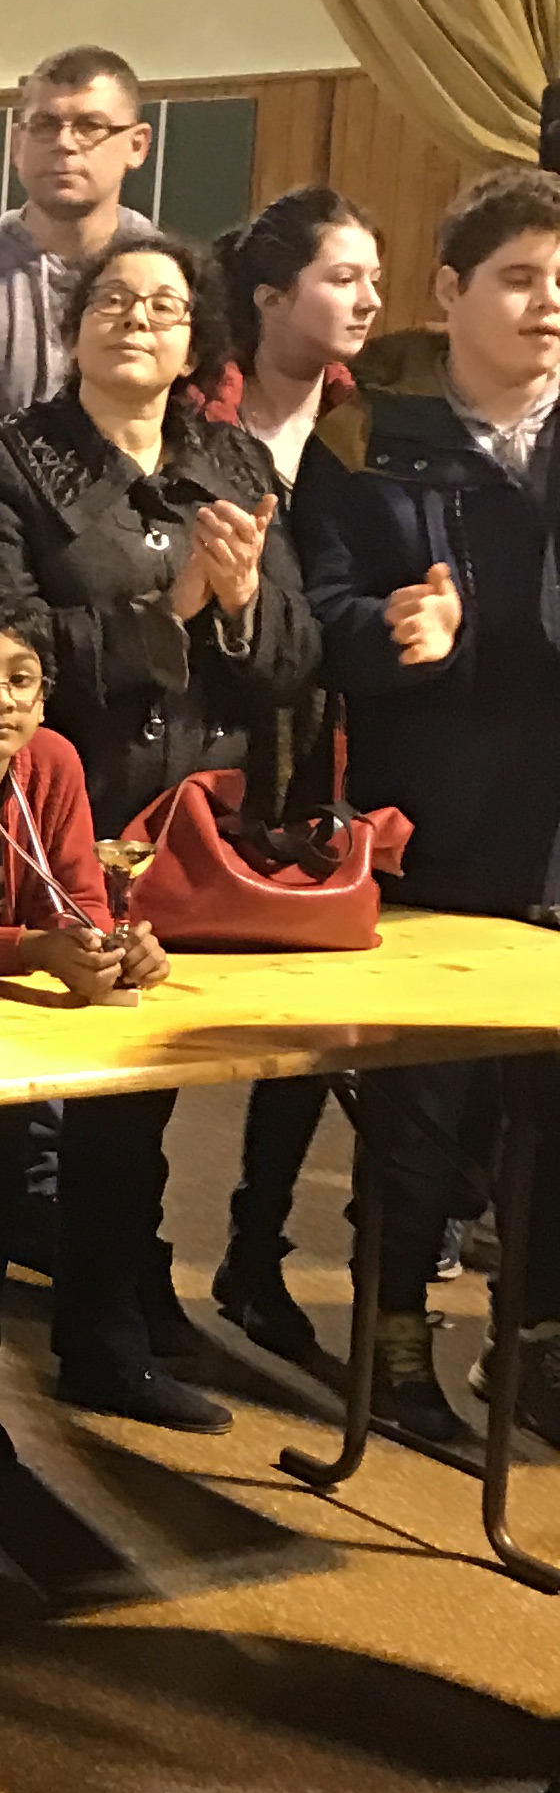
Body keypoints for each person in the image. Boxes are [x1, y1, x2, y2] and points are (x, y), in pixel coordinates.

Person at [0, 231, 320, 1425]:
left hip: (188, 838)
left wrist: (241, 605)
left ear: (198, 339)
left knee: (131, 1110)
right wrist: (171, 610)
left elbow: (295, 656)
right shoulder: (7, 463)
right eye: (112, 300)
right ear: (74, 325)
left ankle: (108, 1340)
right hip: (43, 821)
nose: (137, 318)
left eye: (164, 305)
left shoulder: (237, 462)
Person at [296, 166, 560, 1453]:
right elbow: (322, 621)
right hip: (438, 825)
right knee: (423, 1113)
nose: (549, 304)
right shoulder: (369, 447)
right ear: (449, 292)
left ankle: (538, 1345)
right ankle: (392, 1339)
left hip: (556, 832)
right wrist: (406, 633)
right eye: (520, 279)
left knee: (551, 1118)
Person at [0, 584, 170, 1468]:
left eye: (21, 679)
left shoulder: (50, 763)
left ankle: (93, 1351)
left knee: (114, 1117)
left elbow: (77, 897)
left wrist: (110, 947)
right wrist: (32, 949)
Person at [200, 189, 384, 1367]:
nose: (368, 299)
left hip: (335, 747)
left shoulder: (369, 430)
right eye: (342, 277)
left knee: (313, 1020)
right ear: (272, 296)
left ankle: (255, 1251)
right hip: (212, 741)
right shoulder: (197, 416)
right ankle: (117, 1276)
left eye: (373, 278)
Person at [0, 44, 160, 440]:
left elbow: (184, 448)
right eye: (45, 124)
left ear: (136, 145)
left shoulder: (175, 287)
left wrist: (4, 438)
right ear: (18, 145)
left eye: (90, 126)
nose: (64, 143)